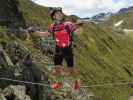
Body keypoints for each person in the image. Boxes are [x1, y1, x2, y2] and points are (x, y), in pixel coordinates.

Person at [28, 7, 83, 76]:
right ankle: (58, 83)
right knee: (57, 69)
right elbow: (44, 34)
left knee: (71, 70)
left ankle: (76, 83)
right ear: (54, 17)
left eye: (61, 13)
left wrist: (80, 26)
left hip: (68, 49)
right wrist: (33, 32)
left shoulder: (68, 24)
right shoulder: (52, 27)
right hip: (58, 49)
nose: (60, 15)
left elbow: (77, 33)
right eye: (58, 14)